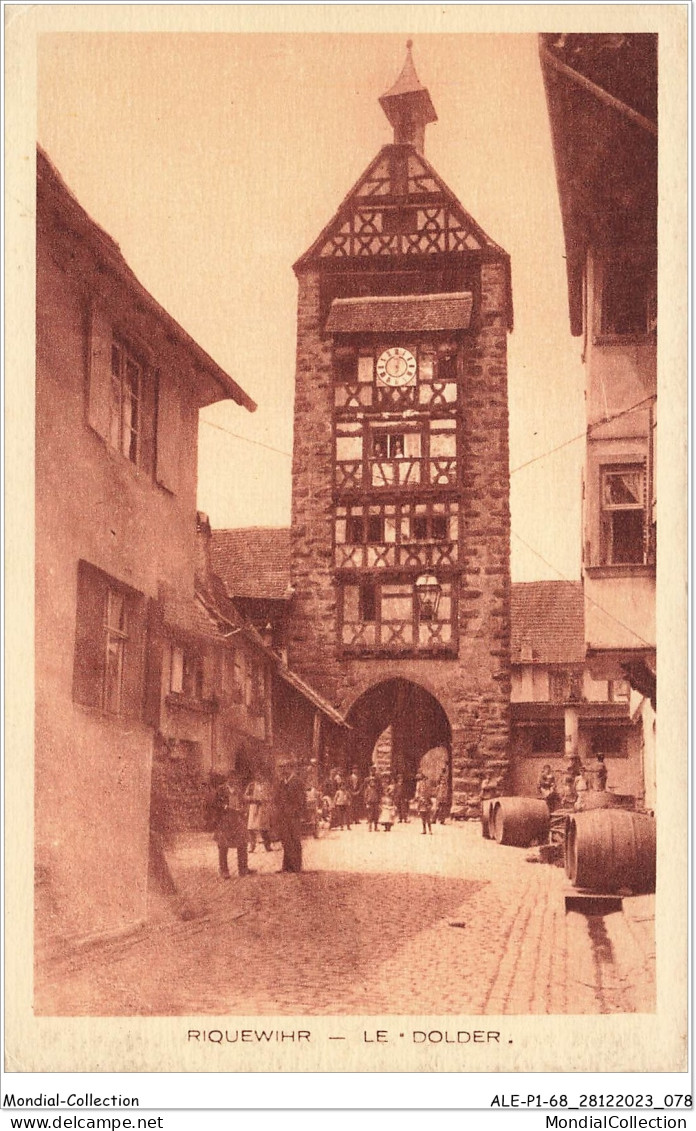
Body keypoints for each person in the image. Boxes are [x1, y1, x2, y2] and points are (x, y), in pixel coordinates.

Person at [212, 774, 251, 879]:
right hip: (225, 819)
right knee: (223, 845)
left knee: (243, 843)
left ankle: (243, 869)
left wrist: (243, 809)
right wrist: (226, 807)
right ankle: (224, 870)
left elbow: (243, 802)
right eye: (231, 778)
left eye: (235, 778)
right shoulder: (221, 789)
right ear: (227, 779)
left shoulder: (238, 790)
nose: (233, 780)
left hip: (237, 819)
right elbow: (215, 803)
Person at [275, 759, 305, 873]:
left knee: (295, 839)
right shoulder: (281, 782)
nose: (282, 770)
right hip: (283, 816)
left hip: (294, 816)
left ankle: (297, 866)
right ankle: (286, 866)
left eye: (284, 767)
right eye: (280, 767)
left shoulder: (297, 782)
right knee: (286, 839)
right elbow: (276, 798)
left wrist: (297, 812)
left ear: (290, 768)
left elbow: (302, 800)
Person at [244, 774, 273, 853]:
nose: (259, 777)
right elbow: (245, 796)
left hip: (263, 808)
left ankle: (267, 846)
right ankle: (252, 846)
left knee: (264, 829)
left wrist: (266, 799)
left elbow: (271, 795)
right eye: (257, 776)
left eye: (261, 776)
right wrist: (253, 799)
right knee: (251, 829)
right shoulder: (251, 785)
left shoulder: (266, 785)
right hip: (254, 807)